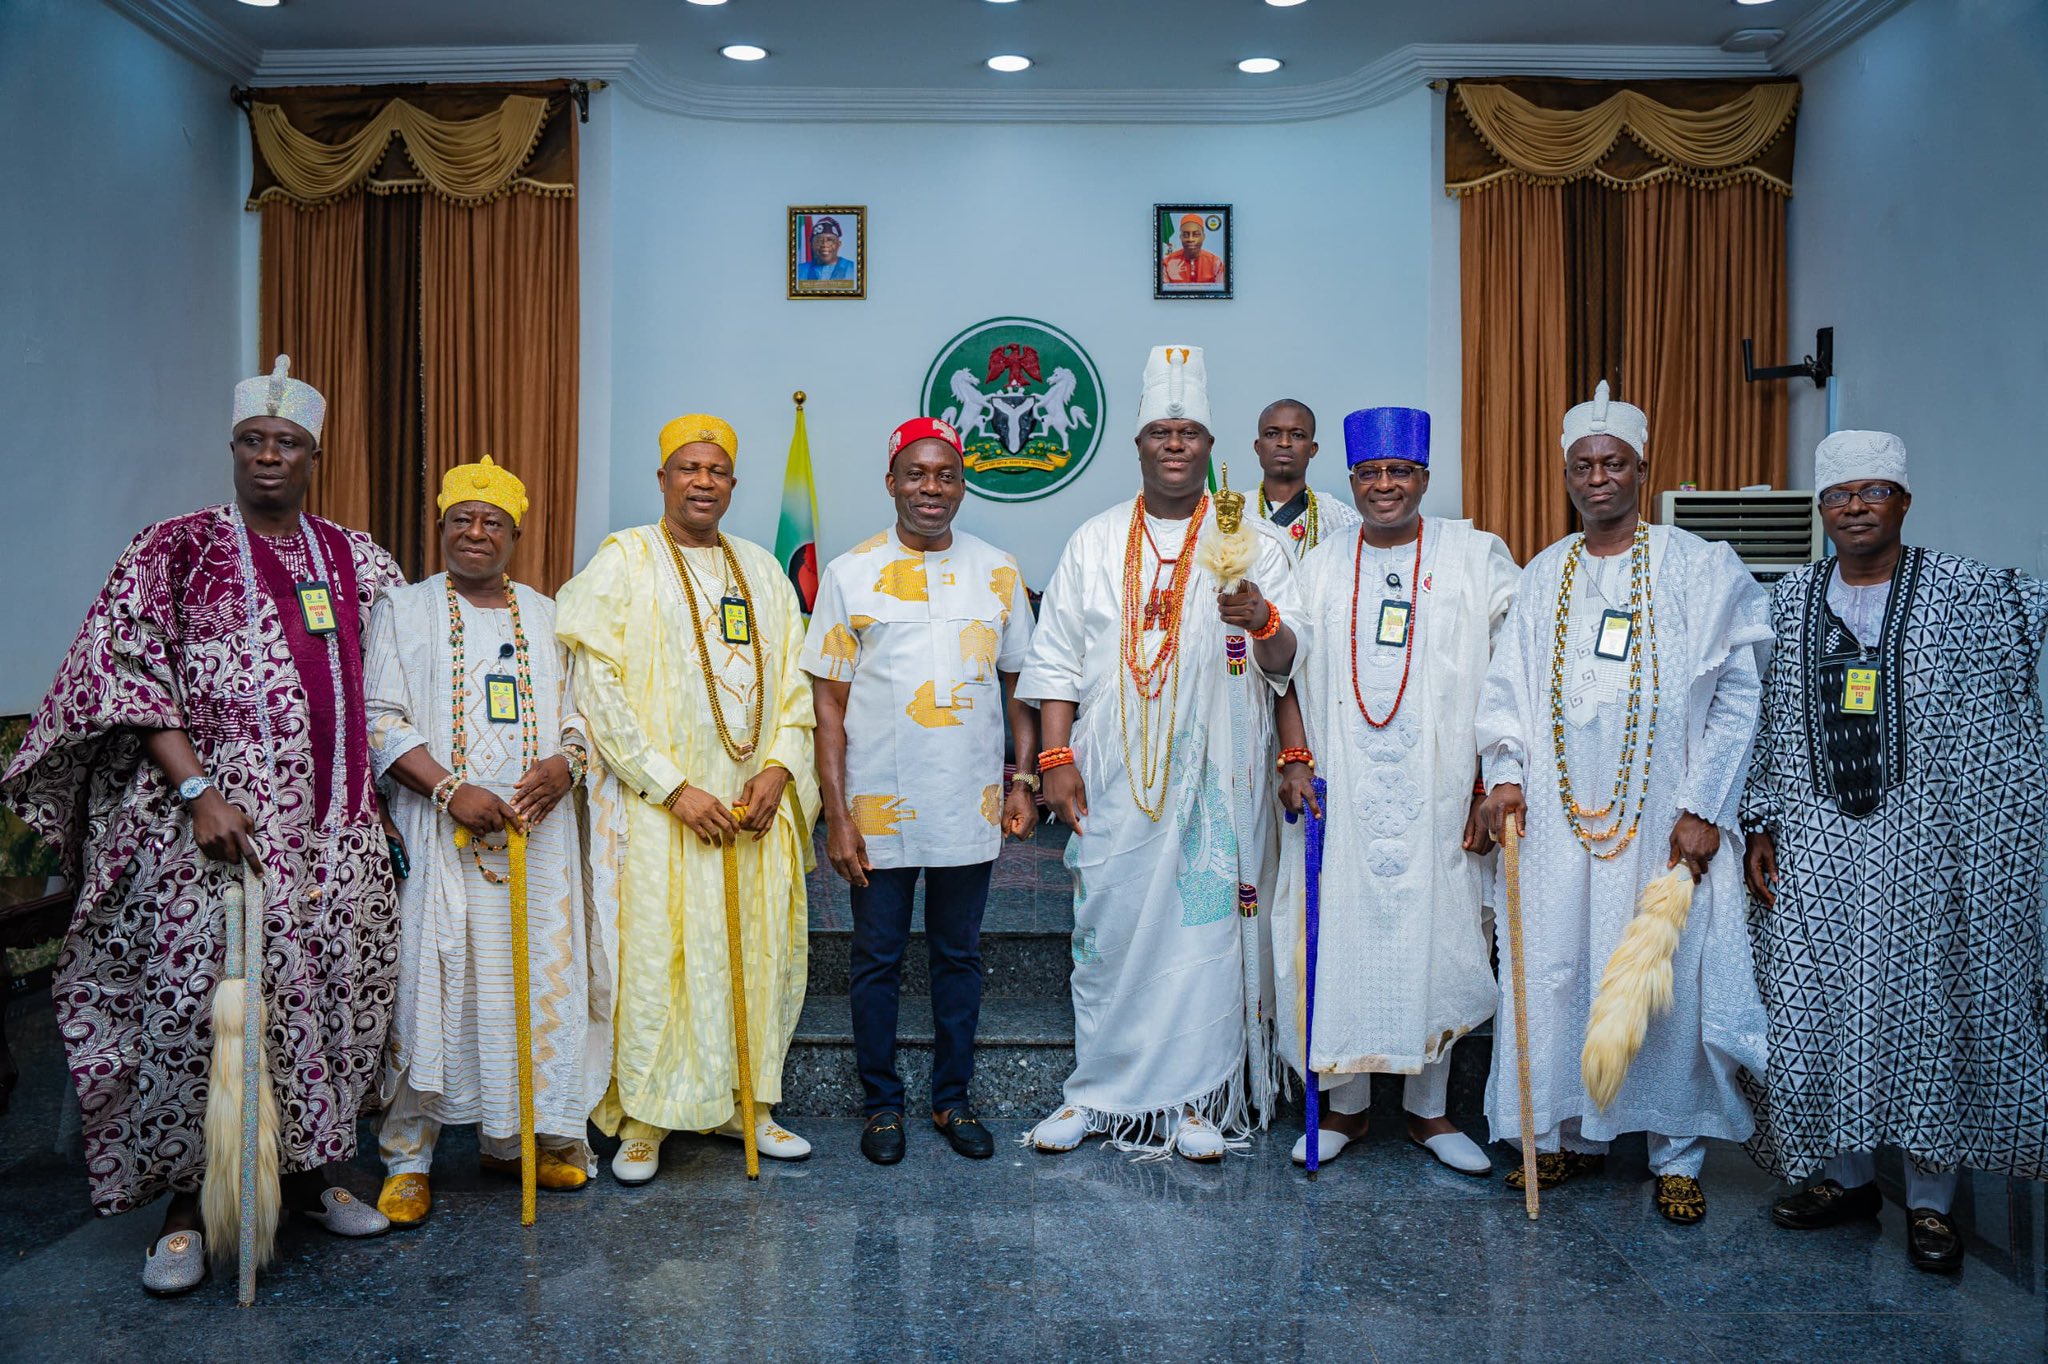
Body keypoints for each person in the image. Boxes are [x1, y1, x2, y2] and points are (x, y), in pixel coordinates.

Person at [0, 356, 403, 1294]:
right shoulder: (173, 549)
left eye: (288, 443)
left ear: (314, 454)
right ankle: (186, 1206)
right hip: (207, 839)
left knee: (327, 1008)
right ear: (233, 449)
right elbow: (124, 675)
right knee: (198, 1017)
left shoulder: (359, 559)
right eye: (254, 441)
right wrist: (197, 794)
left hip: (333, 842)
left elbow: (401, 682)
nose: (270, 457)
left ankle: (309, 1177)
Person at [1741, 430, 2048, 1273]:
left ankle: (1930, 1203)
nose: (1855, 508)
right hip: (1813, 843)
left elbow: (2024, 639)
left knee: (1922, 1016)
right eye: (1840, 496)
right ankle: (1842, 1180)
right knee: (1812, 1014)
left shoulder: (1964, 591)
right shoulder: (1788, 599)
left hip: (1925, 848)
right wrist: (1761, 821)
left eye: (1873, 493)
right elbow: (1763, 721)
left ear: (1904, 503)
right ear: (1821, 508)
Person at [1474, 381, 1771, 1224]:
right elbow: (1506, 694)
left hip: (1662, 821)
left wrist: (1705, 806)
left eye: (1613, 463)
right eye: (1582, 465)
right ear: (1565, 475)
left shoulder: (1699, 567)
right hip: (1563, 829)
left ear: (1643, 468)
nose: (1597, 477)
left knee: (1662, 978)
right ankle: (1562, 1136)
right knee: (1560, 974)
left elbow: (1739, 696)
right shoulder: (1542, 577)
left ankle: (1676, 1152)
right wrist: (1504, 774)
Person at [1020, 344, 1301, 1161]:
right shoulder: (1094, 540)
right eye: (1159, 432)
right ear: (1138, 445)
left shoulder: (1250, 540)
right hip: (1112, 779)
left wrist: (1265, 619)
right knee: (1102, 933)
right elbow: (1055, 663)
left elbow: (1289, 668)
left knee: (1207, 939)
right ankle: (1097, 1096)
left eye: (1189, 431)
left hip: (1219, 777)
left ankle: (1194, 1101)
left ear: (1210, 446)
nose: (1174, 443)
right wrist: (1054, 758)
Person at [556, 414, 820, 1185]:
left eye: (717, 471)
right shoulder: (625, 560)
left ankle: (752, 1105)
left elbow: (799, 687)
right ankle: (646, 1119)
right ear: (663, 479)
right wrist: (671, 787)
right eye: (687, 468)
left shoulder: (764, 571)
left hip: (752, 811)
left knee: (755, 957)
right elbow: (595, 687)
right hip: (664, 812)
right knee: (660, 960)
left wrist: (779, 769)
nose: (703, 481)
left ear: (733, 486)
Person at [365, 457, 619, 1227]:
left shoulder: (548, 616)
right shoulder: (400, 611)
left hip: (534, 842)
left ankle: (517, 1143)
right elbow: (380, 718)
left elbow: (585, 717)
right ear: (440, 529)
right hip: (441, 834)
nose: (476, 533)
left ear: (516, 534)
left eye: (493, 523)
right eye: (461, 521)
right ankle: (408, 1158)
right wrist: (448, 789)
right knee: (432, 986)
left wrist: (566, 765)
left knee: (537, 983)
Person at [1270, 407, 1515, 1172]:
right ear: (1352, 480)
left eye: (1399, 472)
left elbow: (1518, 669)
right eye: (1371, 473)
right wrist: (1295, 758)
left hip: (1441, 795)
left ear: (1424, 479)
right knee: (1337, 942)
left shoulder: (1477, 556)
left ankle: (1430, 1114)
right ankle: (1345, 1111)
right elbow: (1284, 668)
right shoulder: (1319, 563)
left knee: (1437, 943)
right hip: (1341, 795)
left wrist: (1493, 778)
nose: (1385, 485)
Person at [802, 417, 1039, 1166]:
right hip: (876, 806)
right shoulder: (850, 573)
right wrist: (836, 816)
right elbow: (827, 708)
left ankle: (952, 1098)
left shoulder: (998, 569)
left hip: (967, 801)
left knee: (958, 955)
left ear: (962, 484)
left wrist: (1023, 779)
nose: (931, 489)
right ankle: (880, 1106)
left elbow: (1021, 686)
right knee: (873, 957)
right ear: (892, 483)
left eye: (945, 475)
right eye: (917, 474)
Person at [1252, 399, 1359, 560]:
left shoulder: (1338, 516)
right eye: (1272, 434)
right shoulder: (1238, 510)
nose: (1284, 442)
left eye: (1297, 435)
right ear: (1258, 447)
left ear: (1312, 449)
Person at [1161, 214, 1225, 288]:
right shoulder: (1167, 262)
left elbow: (1220, 292)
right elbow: (1164, 294)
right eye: (1185, 235)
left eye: (1196, 234)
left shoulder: (1215, 262)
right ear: (1180, 237)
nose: (1190, 239)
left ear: (1203, 237)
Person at [798, 217, 856, 282]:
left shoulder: (854, 269)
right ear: (811, 245)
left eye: (830, 240)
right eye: (819, 240)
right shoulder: (799, 271)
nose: (825, 245)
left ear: (839, 244)